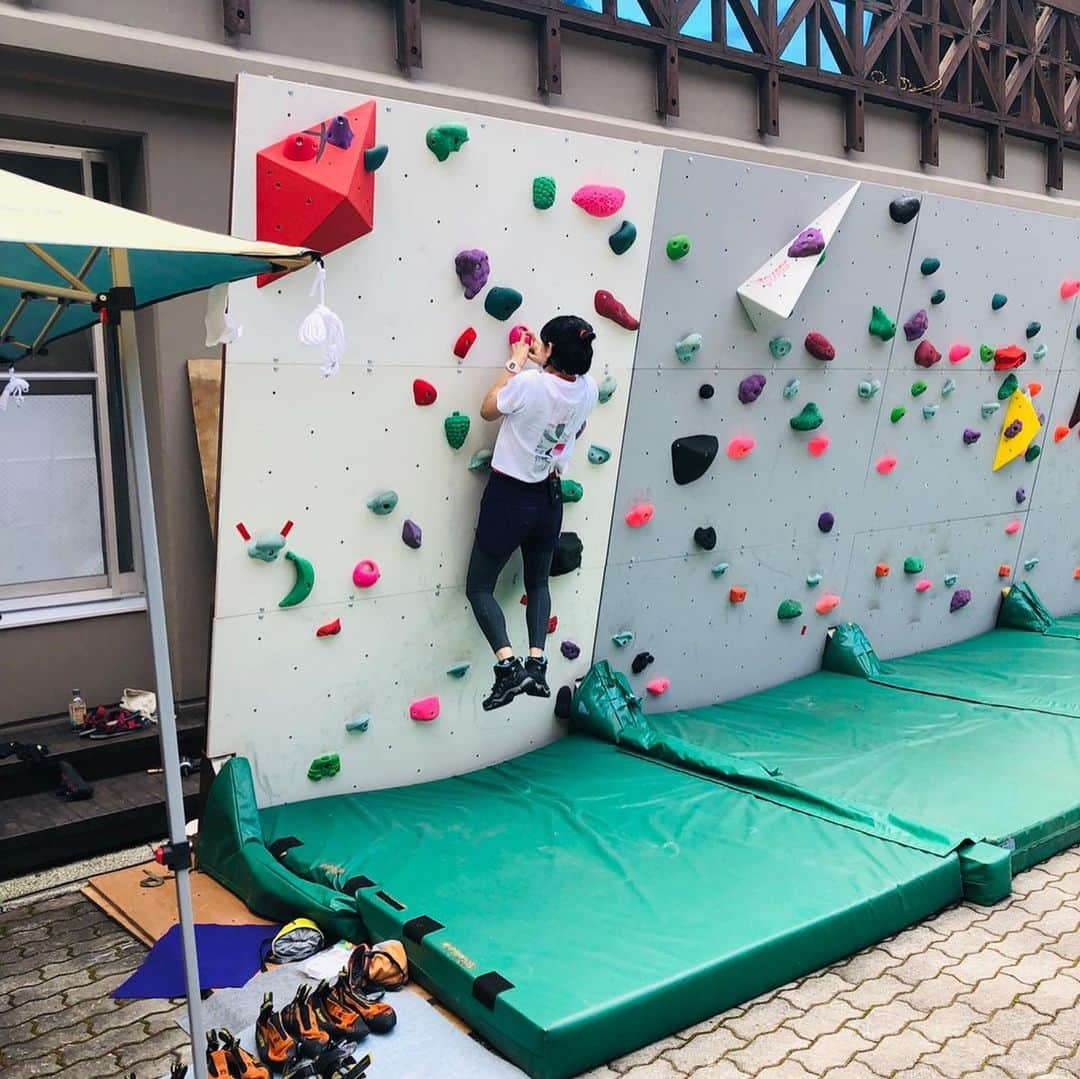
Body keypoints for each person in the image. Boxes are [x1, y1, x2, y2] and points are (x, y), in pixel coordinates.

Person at [466, 315, 599, 711]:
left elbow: (489, 409)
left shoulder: (527, 383)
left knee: (479, 587)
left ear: (550, 350)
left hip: (510, 496)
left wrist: (516, 362)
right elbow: (567, 409)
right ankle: (537, 664)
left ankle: (508, 668)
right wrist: (546, 363)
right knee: (537, 583)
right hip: (549, 497)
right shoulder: (588, 388)